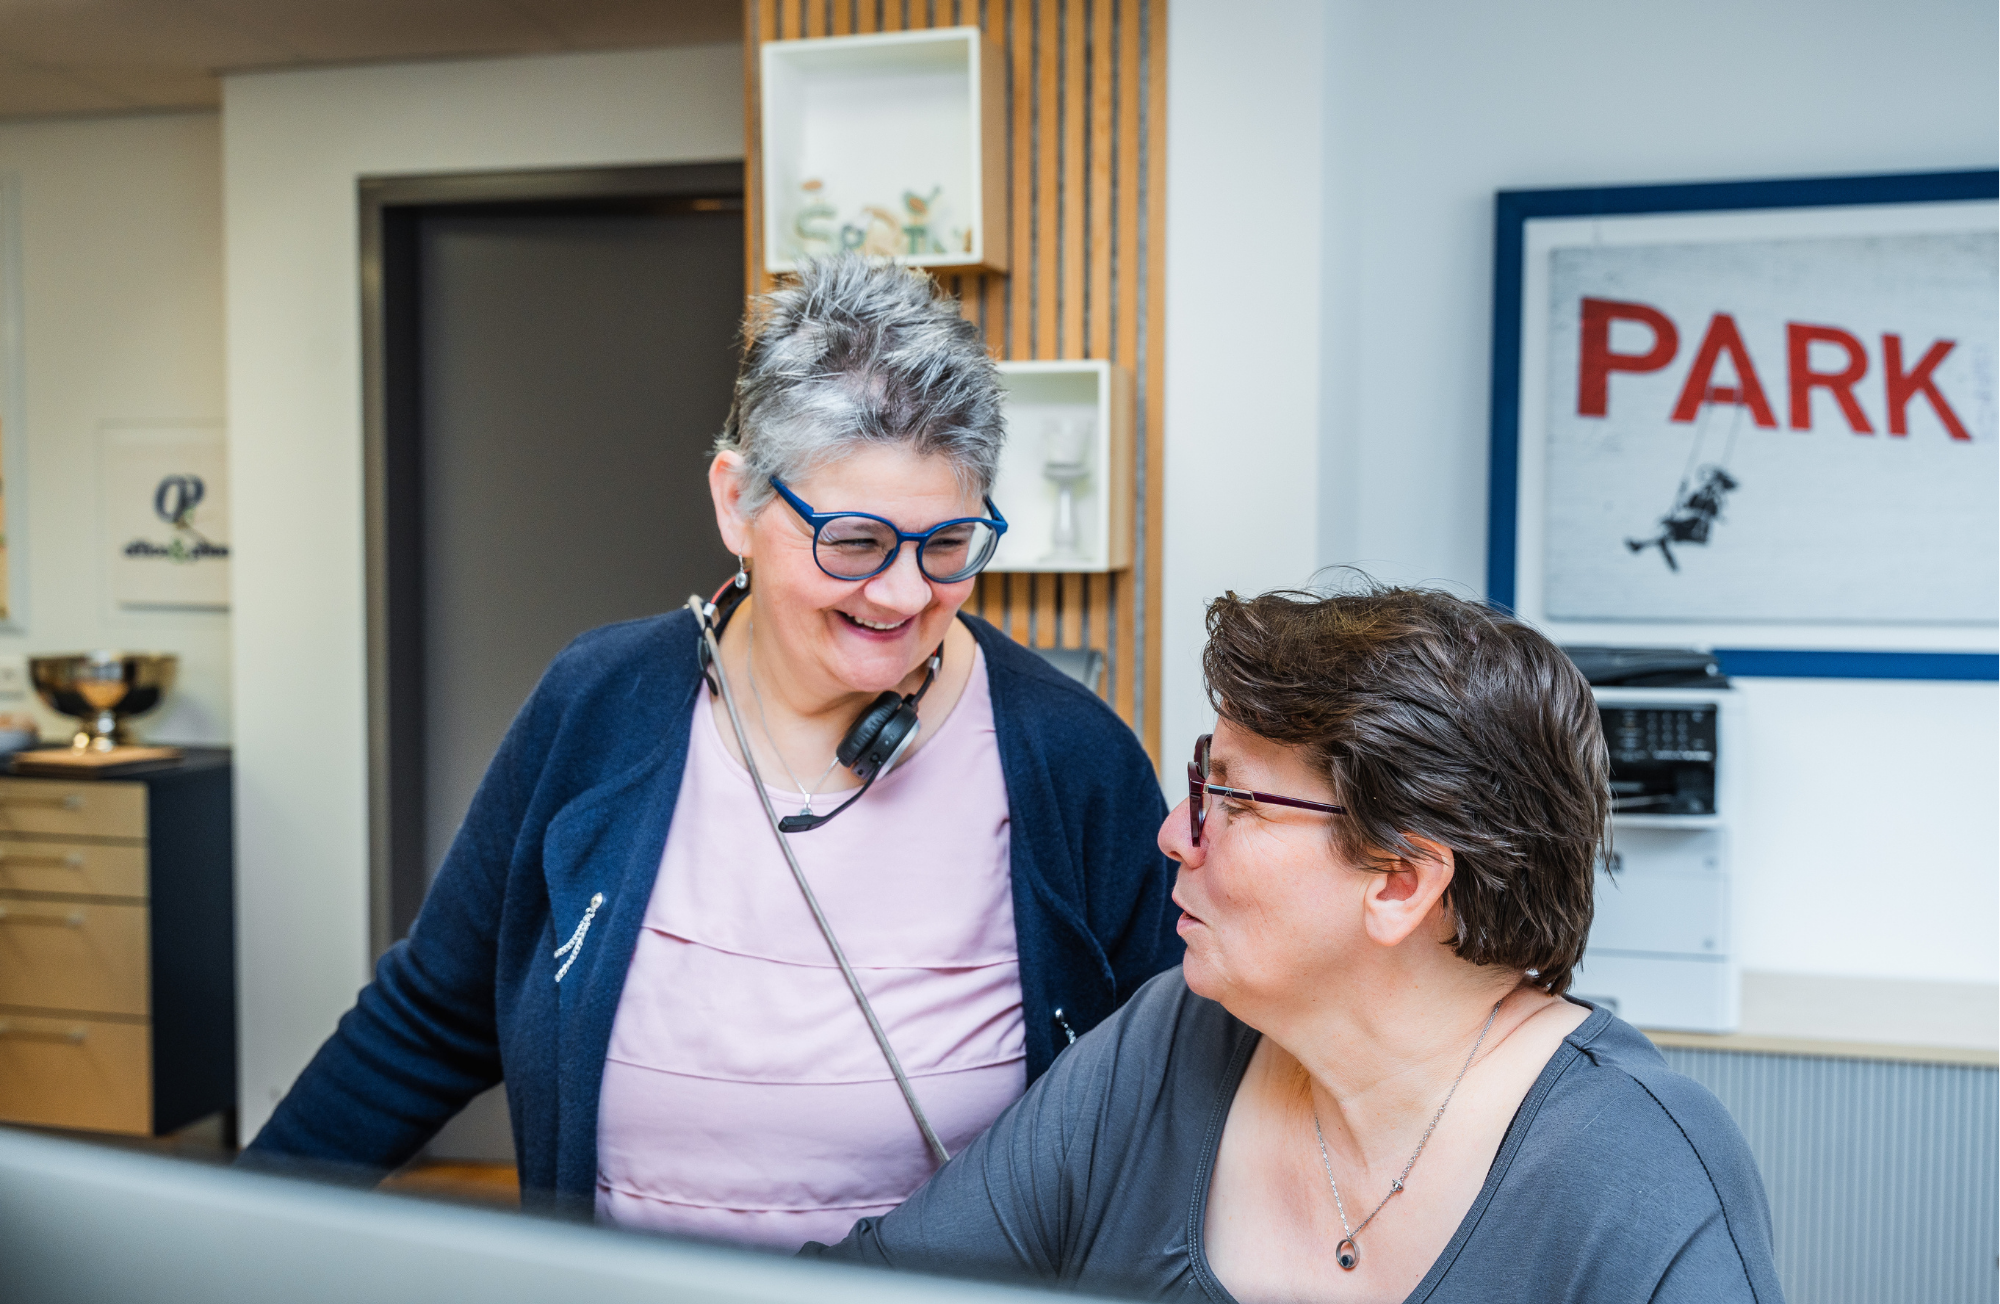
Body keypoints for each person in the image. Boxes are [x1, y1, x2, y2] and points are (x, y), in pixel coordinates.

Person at [243, 256, 1181, 1247]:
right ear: (736, 501)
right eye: (853, 541)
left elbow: (1165, 1091)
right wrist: (231, 1229)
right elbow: (430, 1016)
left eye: (947, 544)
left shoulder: (1071, 756)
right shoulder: (596, 702)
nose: (904, 596)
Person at [807, 584, 1784, 1302]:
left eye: (1229, 798)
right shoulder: (1163, 1043)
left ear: (1399, 880)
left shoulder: (1640, 1174)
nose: (1173, 834)